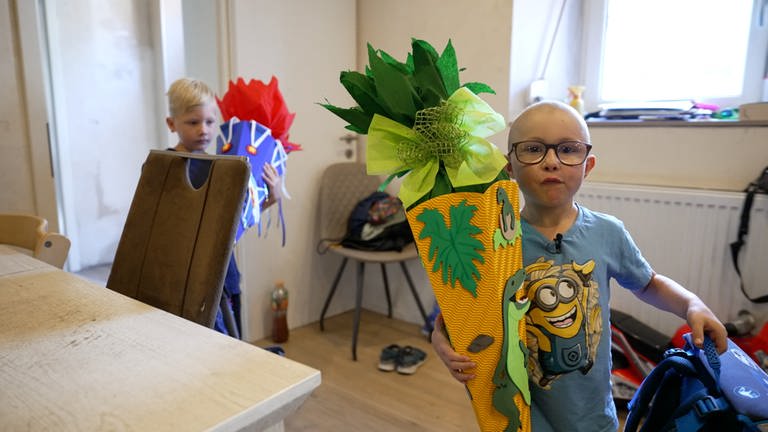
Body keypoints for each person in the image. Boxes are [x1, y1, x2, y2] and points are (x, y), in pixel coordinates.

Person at [430, 100, 728, 431]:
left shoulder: (607, 232)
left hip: (592, 416)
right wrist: (440, 341)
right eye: (533, 149)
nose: (551, 162)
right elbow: (461, 313)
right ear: (509, 167)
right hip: (522, 414)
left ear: (587, 165)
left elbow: (648, 283)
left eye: (568, 150)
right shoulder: (494, 239)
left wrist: (692, 304)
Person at [164, 77, 282, 336]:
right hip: (189, 278)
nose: (204, 130)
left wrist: (269, 198)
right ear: (172, 124)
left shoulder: (219, 164)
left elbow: (232, 222)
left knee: (230, 342)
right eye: (193, 122)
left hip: (224, 271)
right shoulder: (166, 166)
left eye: (209, 121)